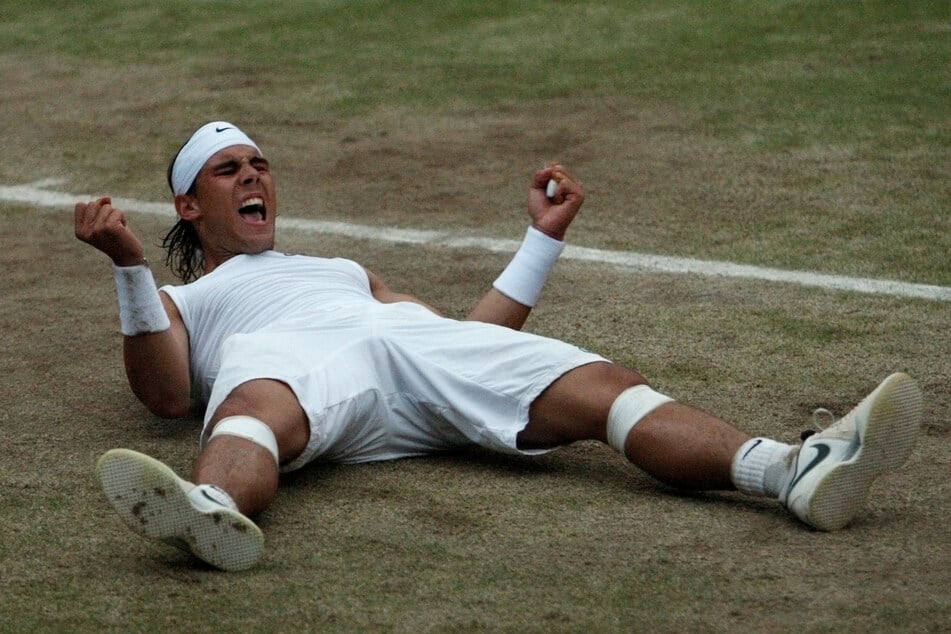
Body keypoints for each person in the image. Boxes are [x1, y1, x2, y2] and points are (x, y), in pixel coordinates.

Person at [75, 121, 923, 572]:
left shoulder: (343, 267)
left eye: (258, 162)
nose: (253, 175)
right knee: (252, 410)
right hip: (292, 364)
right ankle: (215, 510)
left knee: (602, 385)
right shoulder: (182, 295)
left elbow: (464, 345)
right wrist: (129, 268)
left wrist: (539, 241)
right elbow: (165, 393)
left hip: (411, 348)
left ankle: (788, 471)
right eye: (228, 170)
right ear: (189, 206)